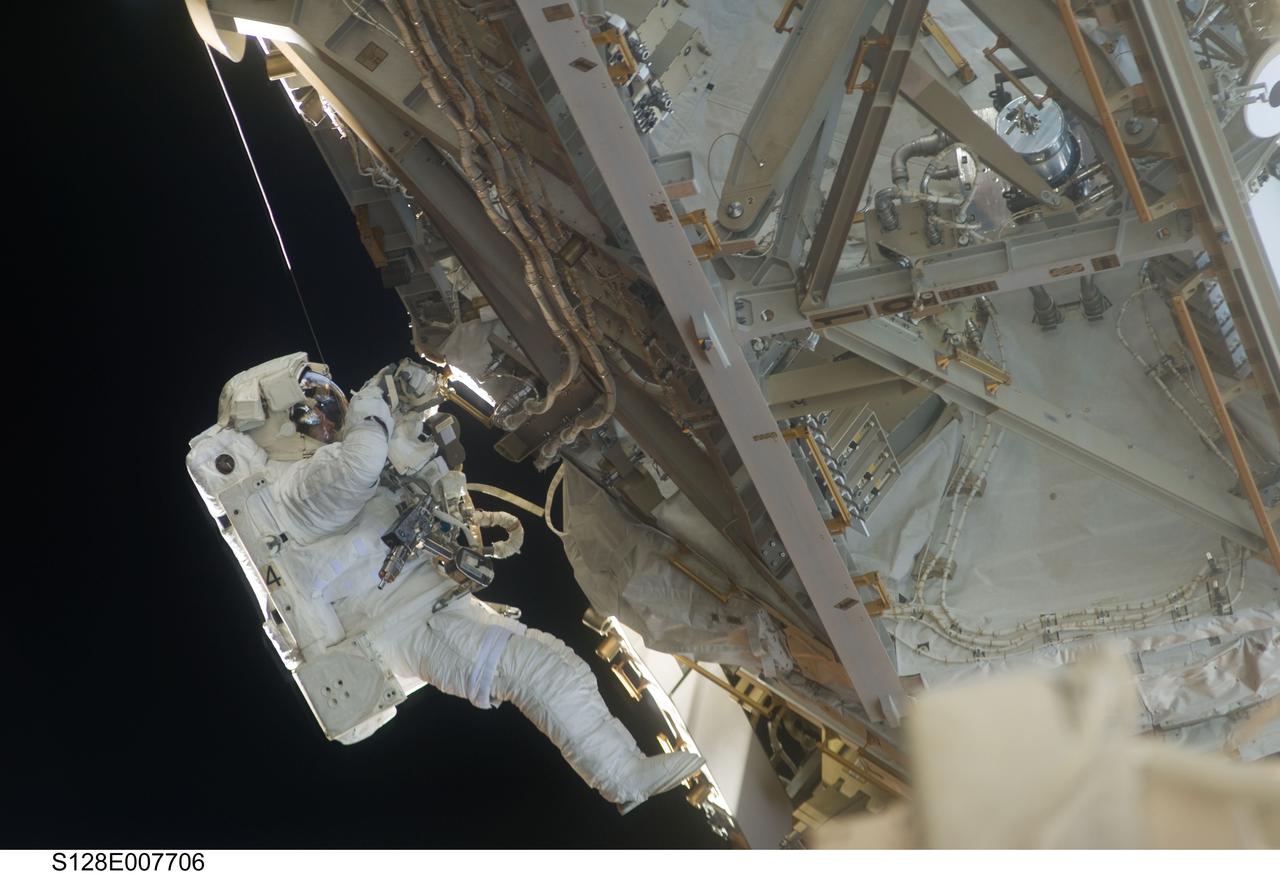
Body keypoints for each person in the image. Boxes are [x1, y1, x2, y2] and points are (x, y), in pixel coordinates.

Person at [187, 353, 703, 812]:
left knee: (553, 667)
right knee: (538, 670)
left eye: (329, 403)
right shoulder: (285, 497)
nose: (326, 418)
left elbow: (412, 476)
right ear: (278, 427)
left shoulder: (323, 468)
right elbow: (357, 467)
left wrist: (412, 412)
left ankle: (625, 774)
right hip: (405, 626)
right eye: (310, 410)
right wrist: (376, 397)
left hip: (426, 603)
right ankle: (624, 780)